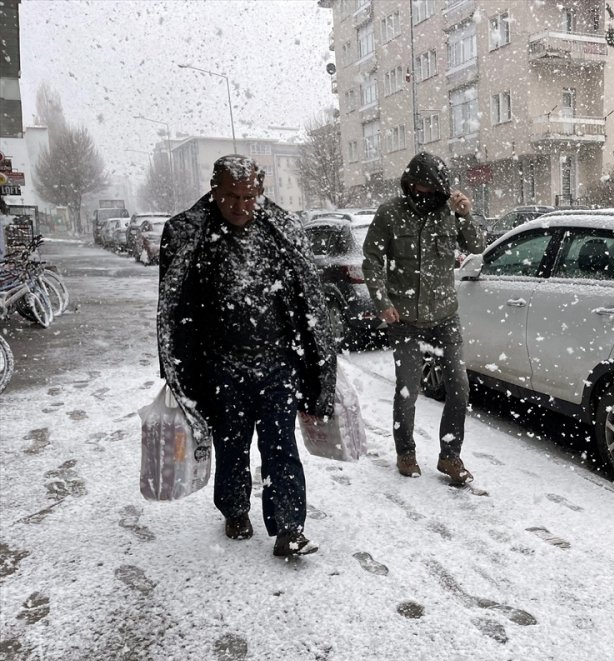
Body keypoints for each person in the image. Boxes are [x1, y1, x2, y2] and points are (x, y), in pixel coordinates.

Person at [157, 155, 338, 557]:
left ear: (260, 192)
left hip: (277, 363)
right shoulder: (190, 234)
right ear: (213, 189)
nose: (240, 206)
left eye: (249, 197)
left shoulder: (282, 232)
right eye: (230, 197)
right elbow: (175, 310)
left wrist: (316, 367)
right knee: (231, 443)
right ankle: (235, 507)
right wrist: (182, 373)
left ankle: (289, 527)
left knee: (280, 447)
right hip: (221, 364)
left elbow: (306, 302)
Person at [362, 151, 485, 484]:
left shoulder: (448, 213)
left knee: (459, 388)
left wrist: (465, 216)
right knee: (408, 388)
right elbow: (371, 261)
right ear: (410, 184)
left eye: (434, 189)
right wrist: (382, 301)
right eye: (422, 187)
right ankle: (406, 451)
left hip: (445, 315)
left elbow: (477, 244)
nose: (427, 194)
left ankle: (450, 456)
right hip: (404, 318)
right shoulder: (390, 214)